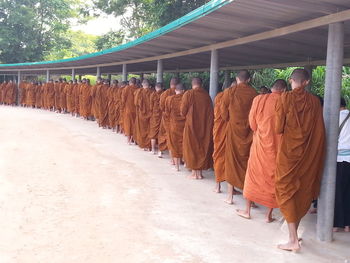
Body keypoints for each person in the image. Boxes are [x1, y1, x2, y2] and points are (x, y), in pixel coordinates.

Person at [275, 68, 325, 251]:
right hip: (308, 155)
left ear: (291, 80)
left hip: (289, 154)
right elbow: (319, 132)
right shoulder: (314, 102)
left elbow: (278, 128)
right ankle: (293, 234)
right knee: (302, 189)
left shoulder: (285, 98)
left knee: (286, 189)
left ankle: (293, 240)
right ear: (307, 82)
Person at [236, 79, 287, 222]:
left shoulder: (259, 99)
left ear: (271, 88)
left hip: (260, 144)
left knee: (253, 174)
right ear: (283, 90)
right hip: (277, 146)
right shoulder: (285, 102)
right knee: (272, 177)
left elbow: (252, 124)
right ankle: (268, 215)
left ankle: (247, 210)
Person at [221, 70, 257, 204]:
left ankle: (230, 196)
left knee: (231, 160)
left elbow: (223, 115)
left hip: (234, 131)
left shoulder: (230, 92)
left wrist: (231, 119)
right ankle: (249, 198)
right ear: (248, 80)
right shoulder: (254, 93)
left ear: (237, 79)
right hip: (249, 132)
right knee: (247, 161)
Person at [181, 77, 214, 179]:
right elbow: (210, 113)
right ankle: (199, 173)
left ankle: (194, 173)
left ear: (192, 84)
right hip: (204, 126)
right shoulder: (207, 96)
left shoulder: (189, 94)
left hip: (191, 127)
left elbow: (183, 111)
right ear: (201, 84)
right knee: (201, 147)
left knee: (191, 148)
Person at [212, 80, 235, 193]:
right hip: (221, 130)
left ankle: (232, 187)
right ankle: (218, 185)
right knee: (220, 156)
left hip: (233, 131)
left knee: (232, 159)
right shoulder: (221, 97)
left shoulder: (235, 97)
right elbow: (222, 114)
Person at [333, 97, 350, 233]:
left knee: (338, 191)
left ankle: (337, 224)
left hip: (340, 159)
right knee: (348, 192)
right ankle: (347, 225)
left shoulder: (335, 118)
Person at [165, 83, 186, 171]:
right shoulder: (186, 99)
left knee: (174, 145)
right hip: (184, 126)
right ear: (183, 91)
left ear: (175, 90)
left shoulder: (169, 99)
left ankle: (176, 166)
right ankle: (185, 162)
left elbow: (166, 112)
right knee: (185, 144)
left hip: (174, 125)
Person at [159, 77, 179, 158]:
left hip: (166, 118)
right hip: (178, 120)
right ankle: (177, 158)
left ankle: (161, 152)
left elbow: (161, 106)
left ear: (170, 84)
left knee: (164, 134)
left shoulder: (165, 93)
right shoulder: (183, 94)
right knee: (176, 138)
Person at [134, 79, 153, 150]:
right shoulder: (152, 92)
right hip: (149, 114)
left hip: (141, 114)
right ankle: (148, 146)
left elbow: (136, 103)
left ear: (142, 84)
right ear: (149, 85)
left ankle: (142, 144)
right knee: (148, 129)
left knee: (141, 129)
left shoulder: (139, 92)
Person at [121, 77, 138, 144]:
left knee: (128, 124)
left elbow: (123, 99)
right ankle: (133, 139)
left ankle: (128, 140)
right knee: (134, 124)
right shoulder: (137, 89)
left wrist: (123, 107)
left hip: (128, 109)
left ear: (130, 82)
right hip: (135, 110)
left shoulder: (126, 88)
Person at [149, 83, 164, 154]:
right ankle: (160, 151)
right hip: (162, 116)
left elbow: (151, 107)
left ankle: (153, 150)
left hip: (155, 116)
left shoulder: (153, 95)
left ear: (155, 87)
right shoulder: (164, 94)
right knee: (161, 133)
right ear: (162, 88)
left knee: (153, 133)